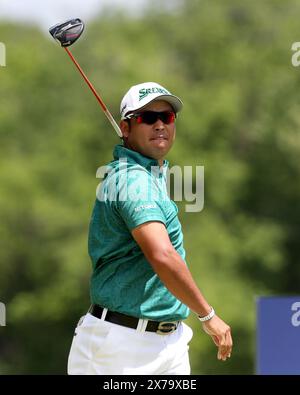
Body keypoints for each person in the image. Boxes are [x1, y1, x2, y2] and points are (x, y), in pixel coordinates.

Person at [67, 82, 233, 375]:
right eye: (148, 118)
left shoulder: (148, 175)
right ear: (126, 128)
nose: (160, 125)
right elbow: (162, 255)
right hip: (121, 347)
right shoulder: (133, 181)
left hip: (168, 343)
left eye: (166, 118)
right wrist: (207, 314)